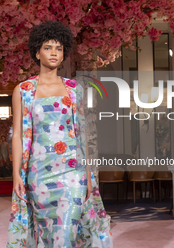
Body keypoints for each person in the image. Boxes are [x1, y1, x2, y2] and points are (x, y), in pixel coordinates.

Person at [7, 20, 113, 247]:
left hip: (72, 172)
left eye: (59, 48)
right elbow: (17, 135)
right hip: (39, 174)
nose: (54, 53)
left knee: (66, 234)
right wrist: (17, 174)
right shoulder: (23, 90)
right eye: (48, 47)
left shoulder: (74, 89)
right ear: (37, 52)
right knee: (46, 235)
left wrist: (88, 174)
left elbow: (80, 134)